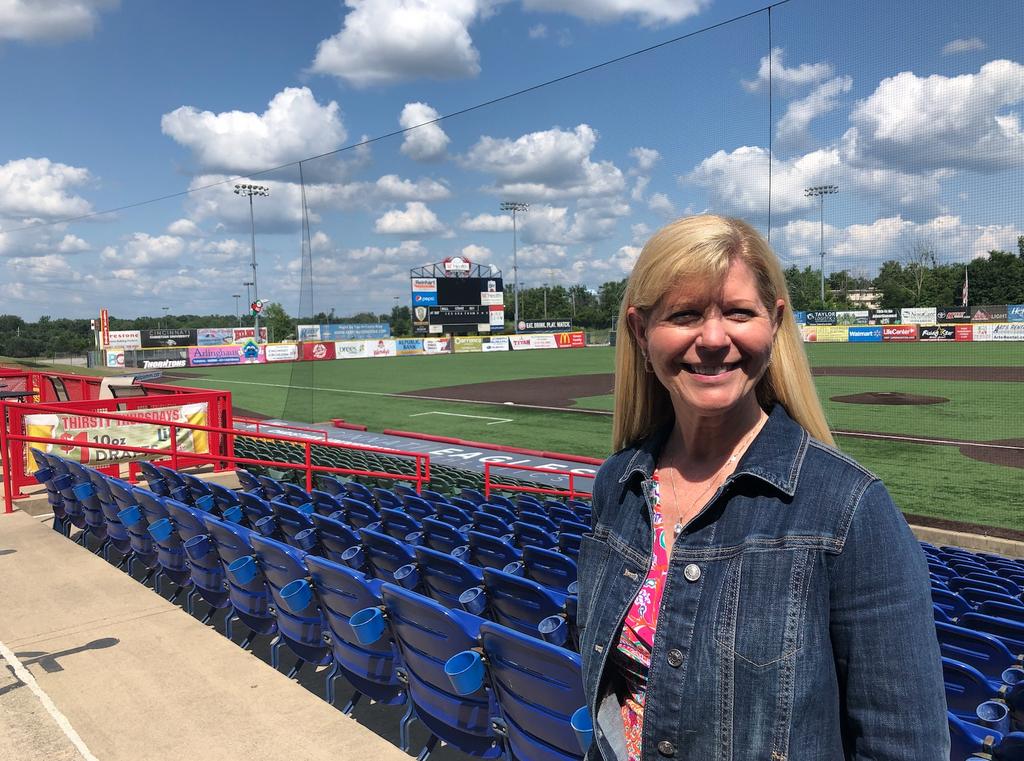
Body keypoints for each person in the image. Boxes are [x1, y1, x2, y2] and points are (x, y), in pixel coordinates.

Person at [577, 215, 948, 759]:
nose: (712, 339)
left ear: (773, 324)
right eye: (683, 315)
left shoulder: (848, 510)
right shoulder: (619, 483)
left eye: (738, 313)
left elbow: (906, 745)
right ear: (639, 332)